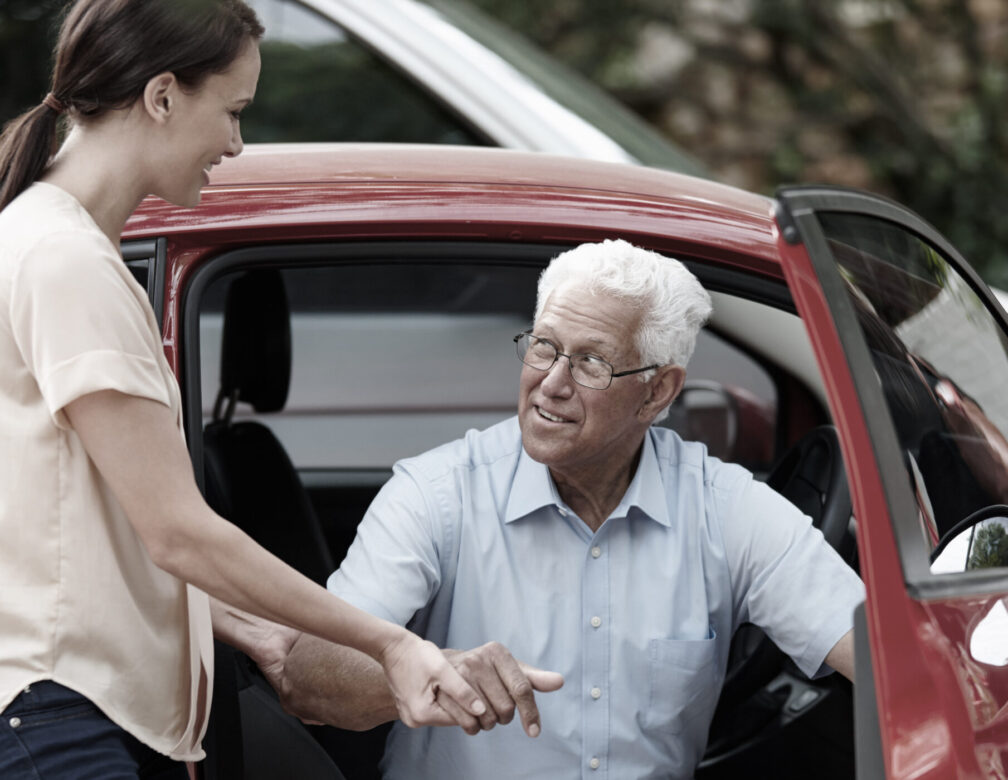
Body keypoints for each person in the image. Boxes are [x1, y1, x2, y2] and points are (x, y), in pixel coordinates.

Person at [0, 1, 488, 777]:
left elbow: (99, 527)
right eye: (231, 112)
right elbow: (176, 531)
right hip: (59, 715)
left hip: (69, 710)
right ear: (162, 97)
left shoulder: (54, 241)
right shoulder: (65, 260)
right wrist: (389, 641)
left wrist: (248, 629)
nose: (235, 143)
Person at [278, 239, 866, 779]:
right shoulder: (437, 493)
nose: (550, 383)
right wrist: (429, 671)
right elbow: (308, 680)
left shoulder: (728, 510)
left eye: (590, 363)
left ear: (658, 391)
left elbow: (885, 658)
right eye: (544, 346)